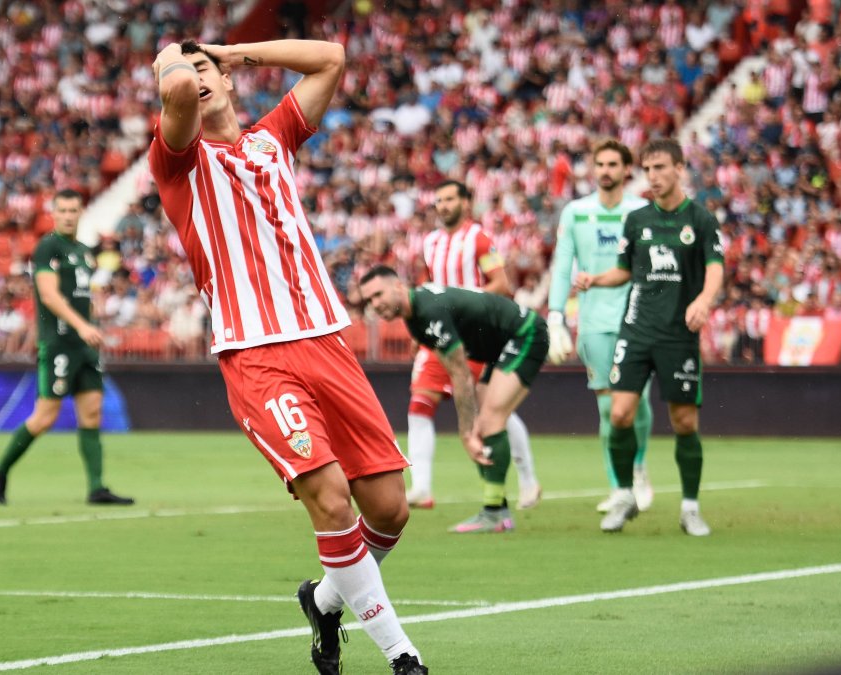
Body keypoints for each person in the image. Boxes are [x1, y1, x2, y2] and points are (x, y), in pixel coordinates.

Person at [149, 39, 427, 675]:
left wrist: (234, 48)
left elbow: (330, 56)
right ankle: (403, 656)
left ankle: (326, 599)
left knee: (390, 509)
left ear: (227, 77)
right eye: (186, 73)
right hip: (255, 354)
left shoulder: (272, 139)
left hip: (325, 338)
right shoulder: (177, 159)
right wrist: (175, 53)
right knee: (331, 502)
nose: (196, 79)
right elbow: (177, 94)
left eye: (206, 69)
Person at [575, 138, 724, 537]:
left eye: (660, 168)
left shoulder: (701, 220)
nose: (652, 177)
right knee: (620, 413)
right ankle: (624, 495)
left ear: (679, 168)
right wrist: (595, 279)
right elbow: (624, 269)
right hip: (637, 330)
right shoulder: (637, 220)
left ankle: (690, 507)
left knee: (684, 421)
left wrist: (704, 301)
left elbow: (715, 267)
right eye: (647, 169)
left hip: (679, 335)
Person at [359, 266, 549, 535]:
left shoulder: (428, 311)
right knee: (487, 422)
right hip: (502, 345)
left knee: (491, 421)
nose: (375, 304)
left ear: (398, 286)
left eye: (378, 294)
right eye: (369, 300)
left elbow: (460, 372)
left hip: (525, 333)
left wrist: (464, 432)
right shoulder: (416, 314)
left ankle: (496, 512)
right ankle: (500, 506)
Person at [0, 190, 134, 507]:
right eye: (63, 210)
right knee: (44, 418)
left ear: (81, 212)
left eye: (73, 209)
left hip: (84, 346)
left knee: (92, 412)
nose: (68, 215)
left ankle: (96, 488)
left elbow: (81, 297)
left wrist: (91, 323)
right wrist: (81, 326)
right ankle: (0, 470)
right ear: (55, 213)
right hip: (59, 344)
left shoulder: (82, 251)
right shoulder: (48, 247)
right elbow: (50, 296)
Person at [406, 180, 542, 515]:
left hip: (472, 337)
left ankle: (528, 479)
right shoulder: (431, 242)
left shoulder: (478, 238)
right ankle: (421, 486)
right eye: (438, 200)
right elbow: (426, 285)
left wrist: (466, 307)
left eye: (450, 198)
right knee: (419, 405)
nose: (443, 205)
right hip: (438, 335)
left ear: (466, 203)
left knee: (493, 410)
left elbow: (500, 283)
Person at [546, 139, 656, 514]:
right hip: (593, 322)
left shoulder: (642, 210)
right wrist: (556, 314)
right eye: (600, 164)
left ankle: (639, 468)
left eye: (613, 164)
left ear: (627, 170)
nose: (606, 171)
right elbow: (563, 265)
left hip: (638, 318)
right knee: (608, 411)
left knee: (637, 403)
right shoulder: (576, 212)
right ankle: (618, 485)